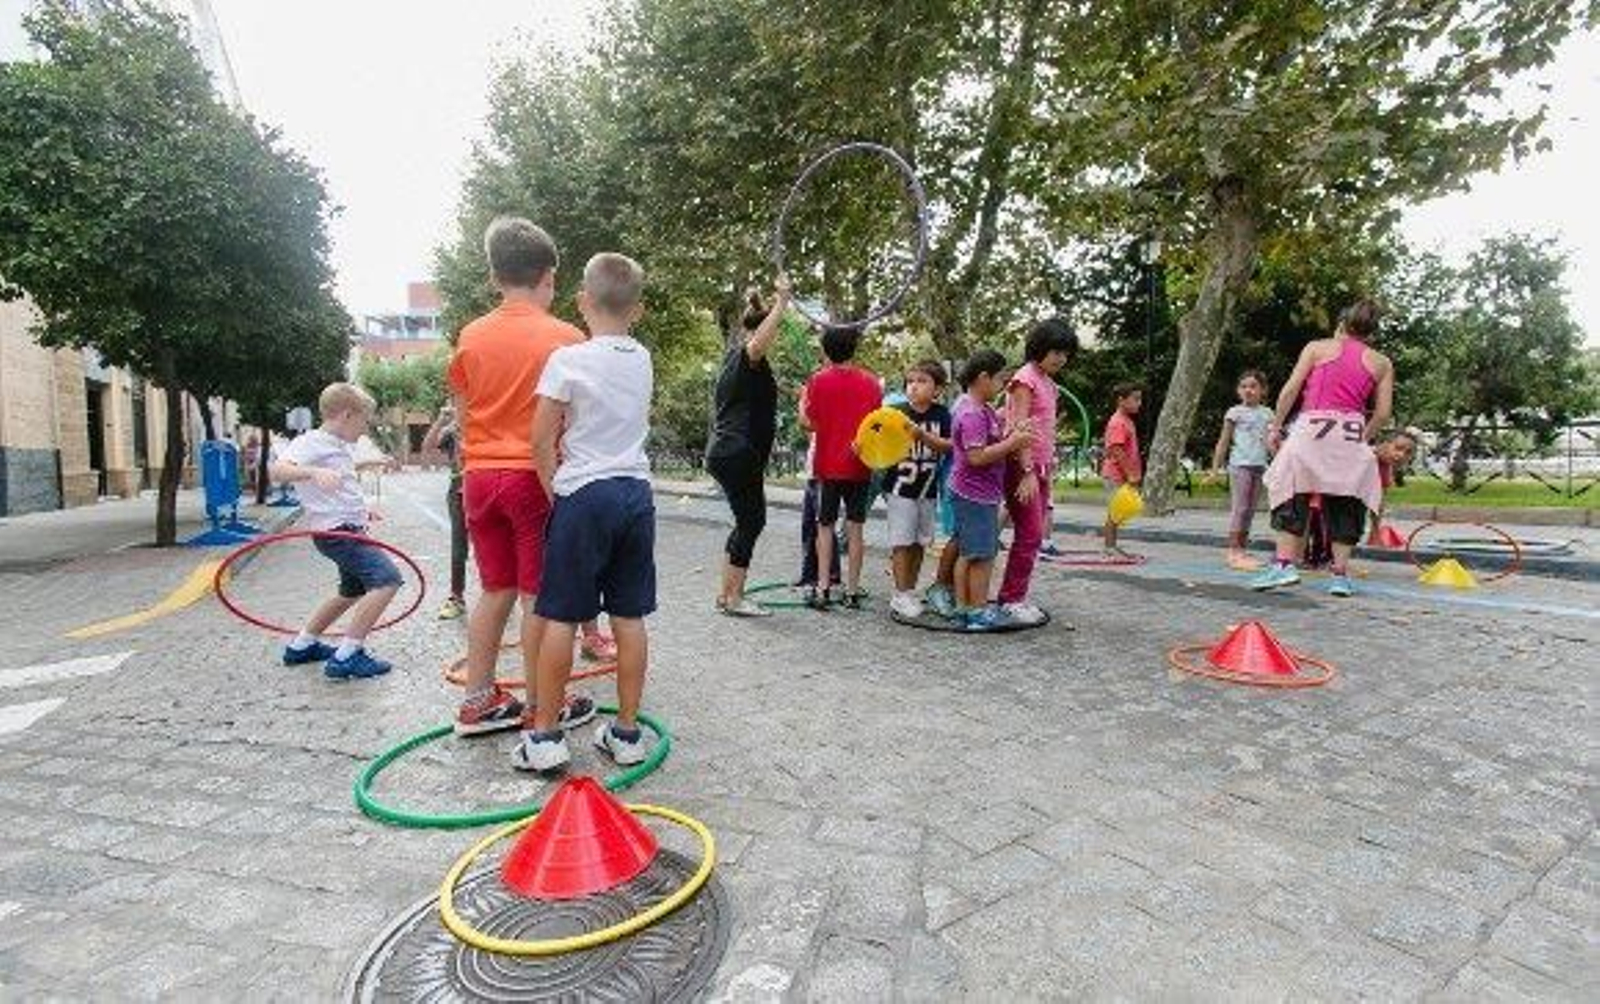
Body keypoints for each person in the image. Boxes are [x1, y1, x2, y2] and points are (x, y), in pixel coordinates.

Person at [446, 217, 591, 736]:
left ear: (494, 277)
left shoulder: (471, 335)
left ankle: (477, 700)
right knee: (538, 596)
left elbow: (462, 413)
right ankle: (540, 705)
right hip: (534, 479)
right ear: (549, 276)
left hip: (479, 479)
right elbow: (577, 418)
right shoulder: (567, 338)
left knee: (495, 590)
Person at [517, 253, 656, 771]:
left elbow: (540, 440)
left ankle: (545, 738)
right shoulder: (642, 358)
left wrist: (556, 491)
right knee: (629, 616)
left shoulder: (567, 359)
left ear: (581, 301)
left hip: (584, 494)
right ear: (637, 310)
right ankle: (627, 733)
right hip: (635, 494)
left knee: (560, 615)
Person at [1255, 299, 1394, 597]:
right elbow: (1383, 413)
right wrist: (1363, 438)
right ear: (1371, 332)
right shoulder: (1382, 362)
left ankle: (1284, 565)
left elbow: (1290, 389)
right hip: (1350, 432)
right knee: (1346, 499)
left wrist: (1276, 427)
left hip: (1311, 429)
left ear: (1341, 324)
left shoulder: (1317, 348)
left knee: (1291, 490)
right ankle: (1340, 576)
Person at [270, 383, 402, 680]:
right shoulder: (312, 441)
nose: (365, 428)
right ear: (346, 415)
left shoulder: (336, 445)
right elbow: (278, 471)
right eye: (364, 420)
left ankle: (302, 645)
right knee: (387, 580)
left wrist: (371, 468)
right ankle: (347, 656)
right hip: (339, 533)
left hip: (345, 529)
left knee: (351, 591)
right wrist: (313, 472)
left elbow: (342, 477)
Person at [706, 278, 791, 616]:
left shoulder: (737, 361)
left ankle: (727, 594)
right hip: (738, 452)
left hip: (730, 452)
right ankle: (734, 599)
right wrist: (782, 303)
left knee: (746, 522)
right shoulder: (746, 355)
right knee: (752, 522)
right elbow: (757, 346)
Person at [998, 318, 1078, 624]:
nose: (1061, 358)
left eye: (1065, 353)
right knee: (1030, 534)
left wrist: (1045, 466)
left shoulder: (1048, 382)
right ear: (1040, 348)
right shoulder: (1025, 379)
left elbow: (1043, 427)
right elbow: (1020, 427)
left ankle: (1015, 596)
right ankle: (1011, 599)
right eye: (1056, 352)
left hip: (1040, 466)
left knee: (1033, 534)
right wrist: (1028, 470)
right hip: (1023, 466)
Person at [948, 351, 1034, 630]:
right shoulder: (972, 413)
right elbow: (976, 457)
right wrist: (1013, 443)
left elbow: (989, 444)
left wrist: (1012, 436)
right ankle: (976, 611)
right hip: (974, 494)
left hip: (976, 493)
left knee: (970, 552)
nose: (1003, 386)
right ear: (983, 377)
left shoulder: (979, 408)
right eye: (1000, 380)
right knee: (982, 555)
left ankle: (964, 607)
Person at [800, 328, 881, 609]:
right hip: (860, 465)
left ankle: (823, 588)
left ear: (826, 350)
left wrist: (802, 403)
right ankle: (852, 591)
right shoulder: (871, 383)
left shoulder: (818, 381)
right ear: (853, 349)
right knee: (855, 529)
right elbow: (876, 425)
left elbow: (810, 423)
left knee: (825, 527)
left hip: (828, 465)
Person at [884, 361, 953, 620]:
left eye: (922, 381)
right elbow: (874, 438)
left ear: (938, 389)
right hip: (899, 489)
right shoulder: (895, 412)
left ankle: (909, 590)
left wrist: (922, 436)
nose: (914, 386)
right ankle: (900, 594)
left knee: (920, 542)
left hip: (927, 490)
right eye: (910, 381)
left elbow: (949, 446)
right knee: (902, 542)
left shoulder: (942, 415)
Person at [1209, 370, 1275, 570]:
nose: (1248, 390)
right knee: (1240, 508)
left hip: (1259, 465)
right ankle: (1233, 550)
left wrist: (1278, 460)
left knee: (1251, 510)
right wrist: (1214, 469)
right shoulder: (1234, 412)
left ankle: (1242, 549)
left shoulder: (1268, 413)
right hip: (1240, 465)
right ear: (1238, 390)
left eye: (1253, 386)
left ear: (1263, 390)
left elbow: (1271, 443)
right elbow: (1223, 441)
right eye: (1244, 386)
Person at [421, 404, 469, 620]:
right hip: (458, 490)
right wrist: (441, 420)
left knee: (494, 544)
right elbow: (428, 446)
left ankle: (502, 593)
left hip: (484, 484)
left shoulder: (483, 421)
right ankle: (456, 597)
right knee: (459, 546)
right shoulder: (452, 430)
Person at [1101, 384, 1143, 556]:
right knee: (1114, 513)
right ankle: (1109, 548)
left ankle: (1112, 546)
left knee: (1118, 512)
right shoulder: (1118, 422)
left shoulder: (1126, 421)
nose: (1139, 403)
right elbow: (1116, 450)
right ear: (1121, 400)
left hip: (1121, 475)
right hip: (1115, 475)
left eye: (1140, 399)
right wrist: (1130, 474)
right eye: (1135, 399)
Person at [1368, 429, 1417, 545]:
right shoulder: (1364, 457)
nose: (1401, 455)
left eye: (1408, 453)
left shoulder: (1385, 467)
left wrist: (1374, 535)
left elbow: (1377, 504)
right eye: (1398, 448)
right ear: (1383, 444)